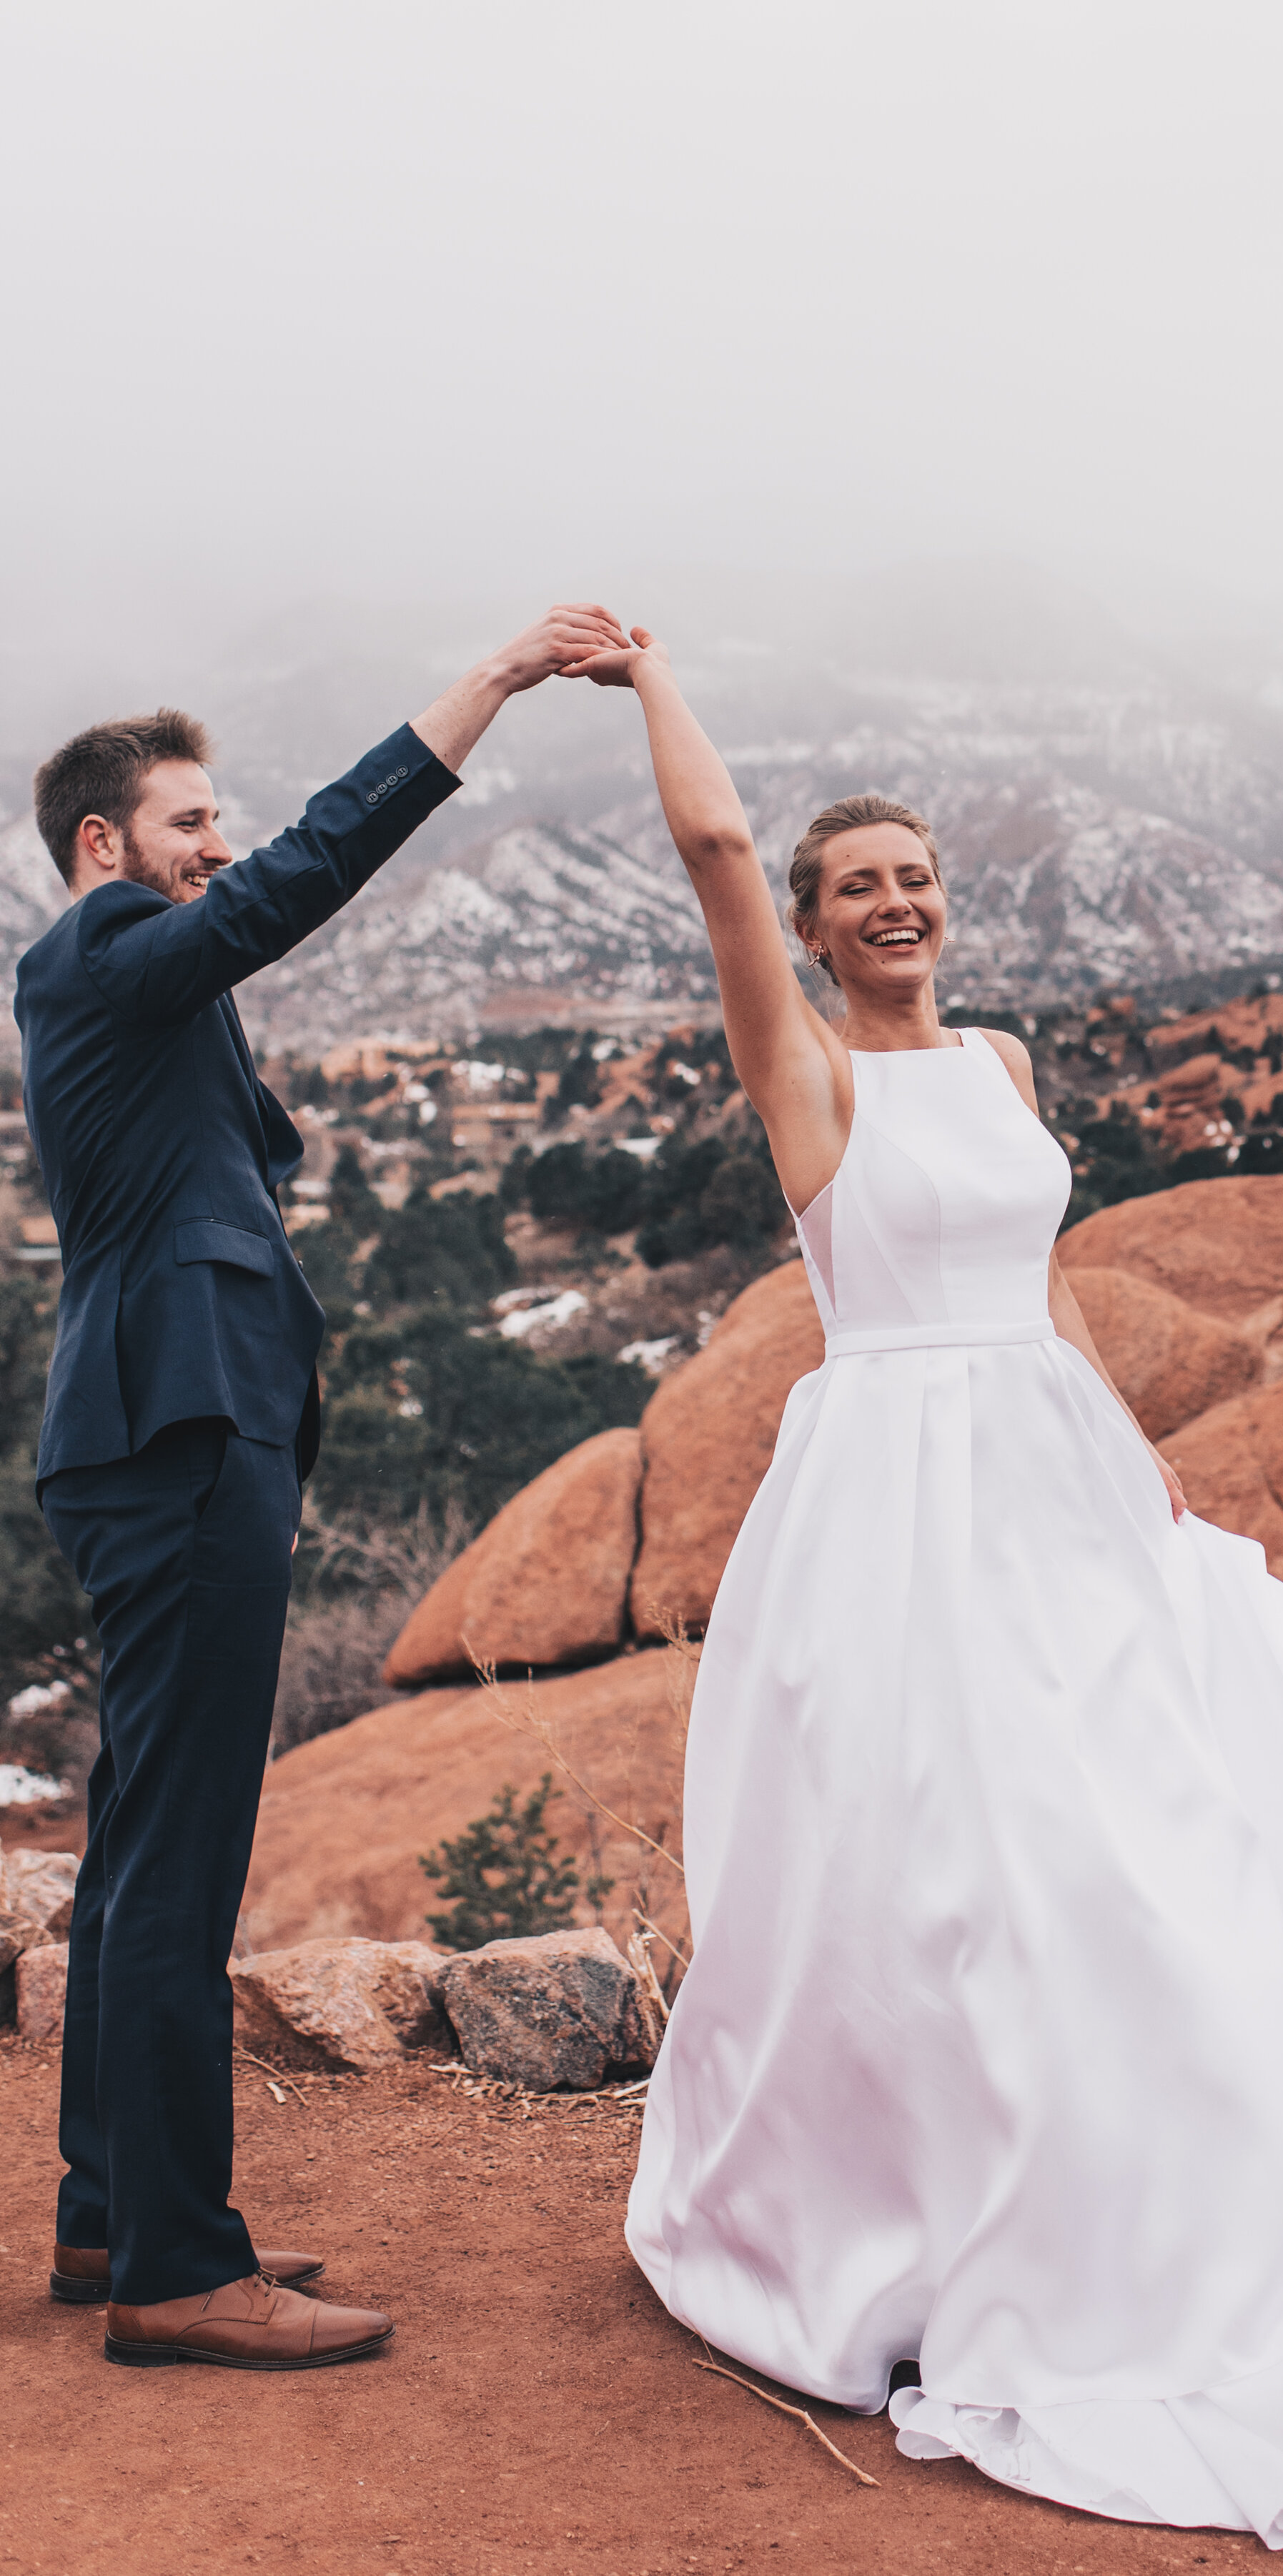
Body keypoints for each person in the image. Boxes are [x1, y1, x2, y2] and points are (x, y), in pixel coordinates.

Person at [571, 614, 1283, 2547]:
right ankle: (893, 2214)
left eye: (916, 878)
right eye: (856, 886)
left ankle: (1140, 2194)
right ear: (807, 926)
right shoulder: (804, 1073)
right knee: (928, 1860)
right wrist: (650, 677)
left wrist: (1112, 1440)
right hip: (894, 1498)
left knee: (1137, 1832)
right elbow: (716, 854)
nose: (894, 901)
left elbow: (1040, 1276)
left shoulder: (995, 1056)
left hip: (1044, 1478)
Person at [17, 604, 614, 2372]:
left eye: (221, 820)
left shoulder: (123, 984)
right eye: (195, 820)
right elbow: (307, 874)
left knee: (135, 1849)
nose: (223, 846)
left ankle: (112, 2212)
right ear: (106, 846)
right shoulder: (111, 944)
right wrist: (489, 689)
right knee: (181, 1862)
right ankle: (180, 2269)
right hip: (185, 1432)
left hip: (155, 1429)